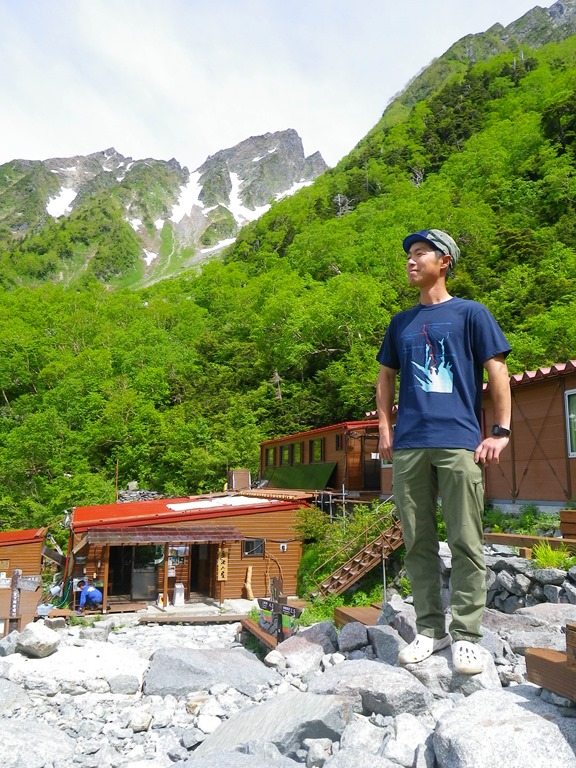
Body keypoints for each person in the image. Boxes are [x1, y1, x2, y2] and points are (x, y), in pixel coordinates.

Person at [376, 229, 511, 675]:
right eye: (408, 255)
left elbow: (497, 371)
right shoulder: (401, 323)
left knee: (465, 540)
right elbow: (385, 377)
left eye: (420, 253)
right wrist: (385, 427)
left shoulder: (471, 313)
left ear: (444, 261)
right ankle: (431, 630)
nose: (411, 261)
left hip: (459, 441)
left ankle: (467, 635)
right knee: (417, 541)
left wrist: (500, 431)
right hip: (410, 444)